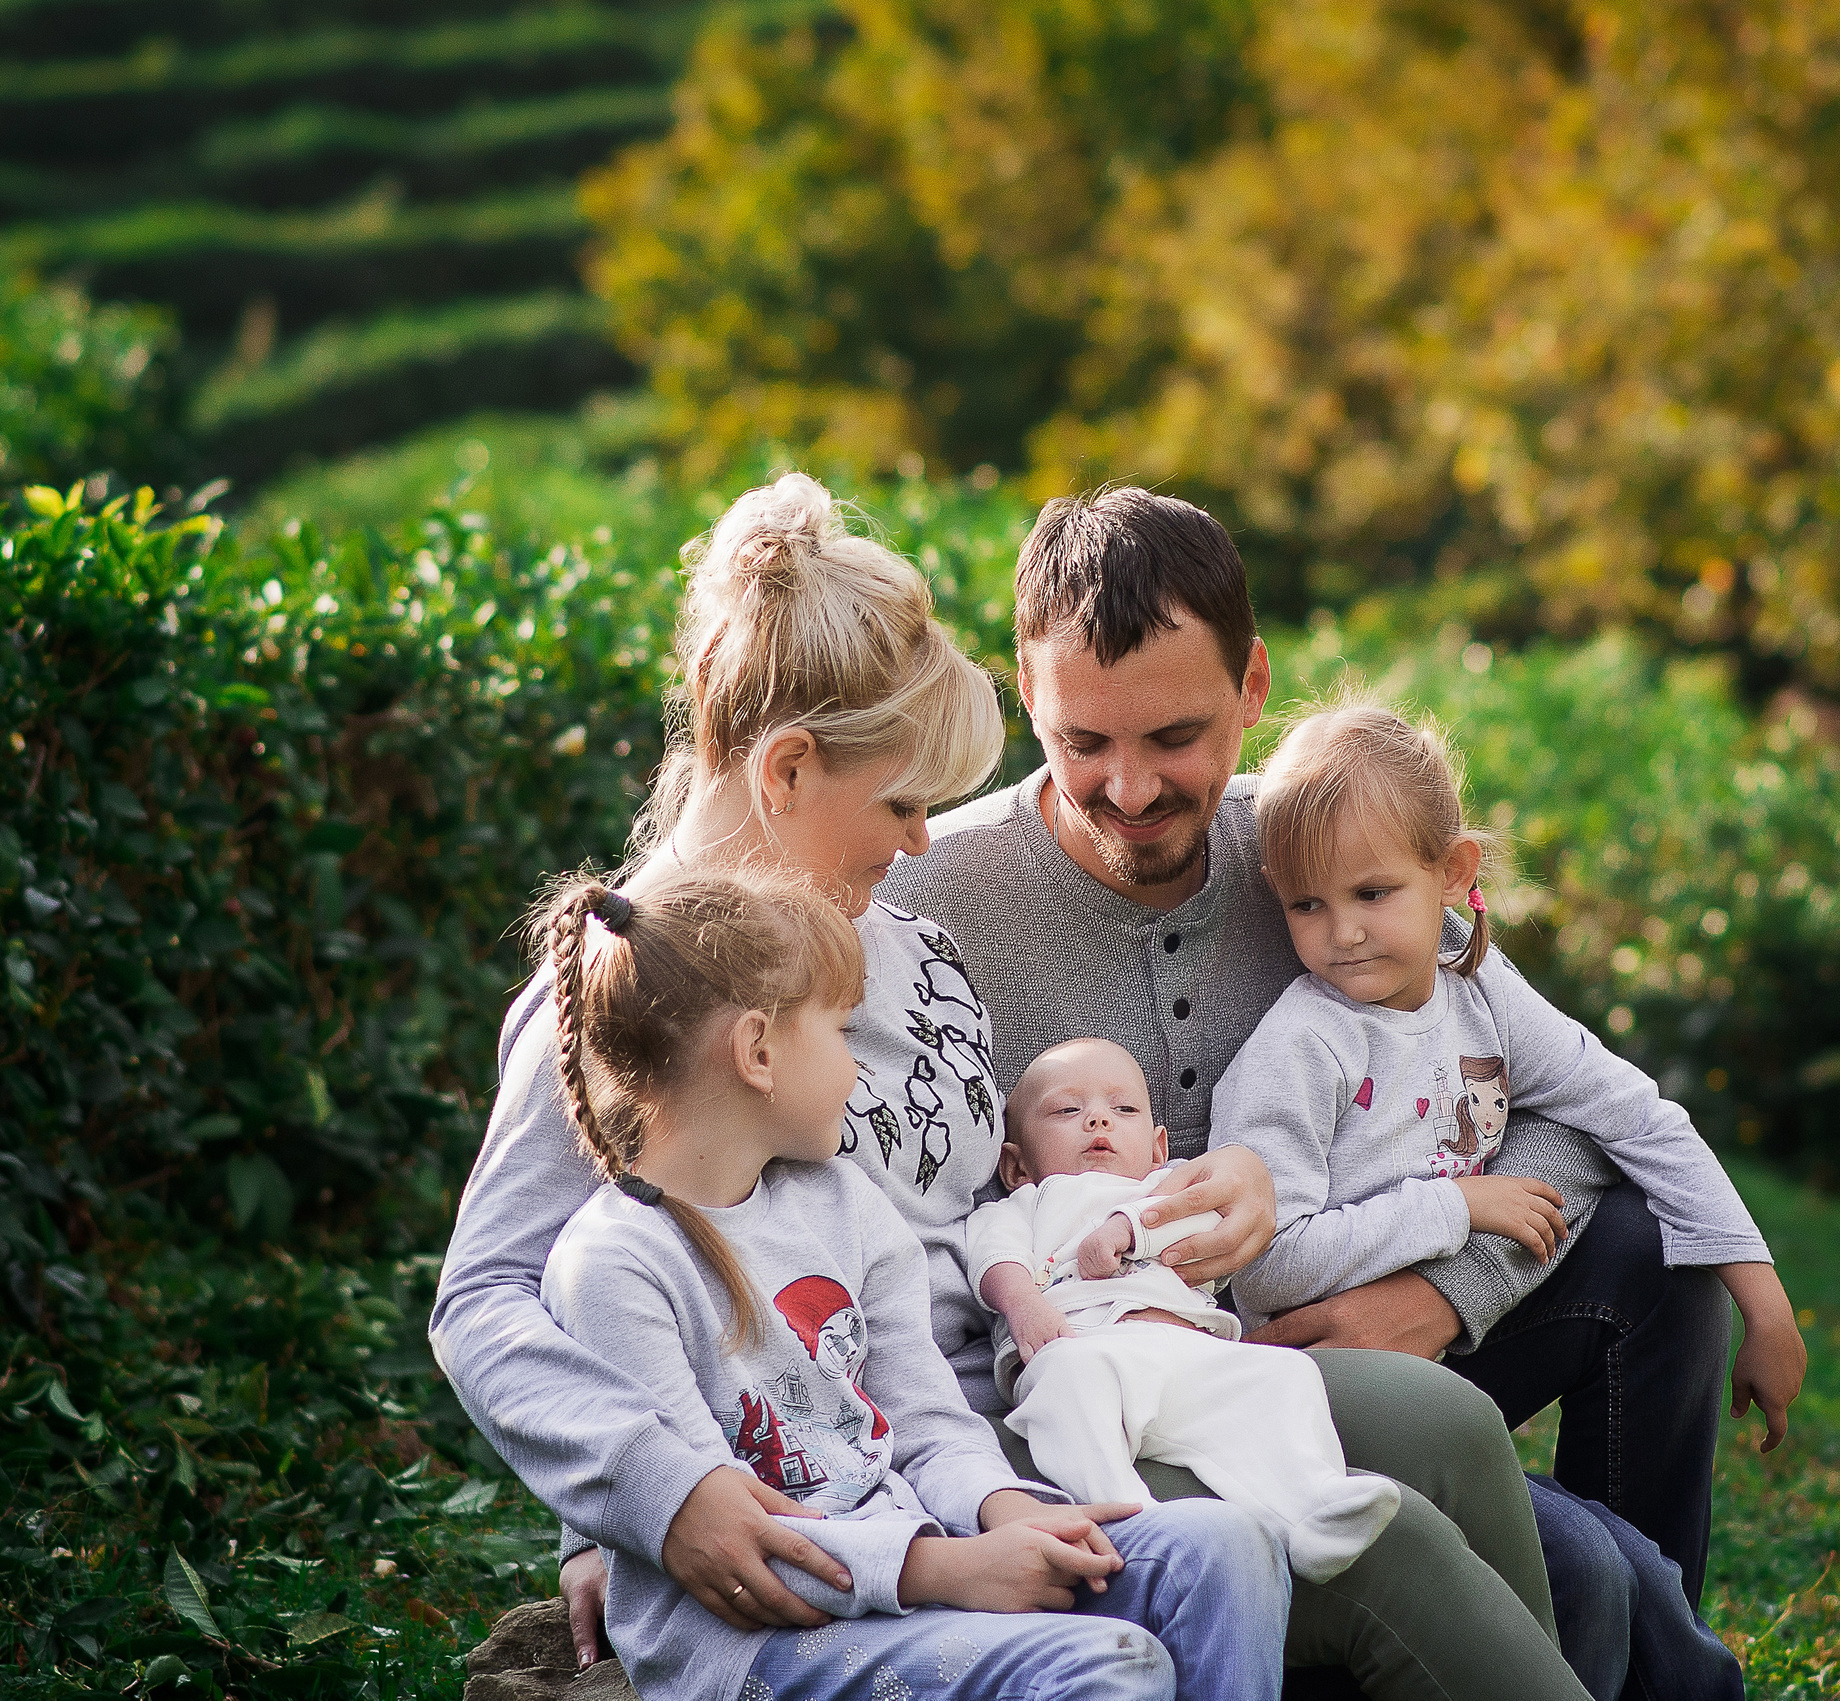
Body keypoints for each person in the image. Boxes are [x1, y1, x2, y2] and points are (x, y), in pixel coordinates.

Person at [430, 473, 1582, 1701]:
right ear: (789, 771)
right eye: (902, 802)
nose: (924, 838)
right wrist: (640, 1505)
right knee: (1390, 1553)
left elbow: (1003, 1193)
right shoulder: (640, 986)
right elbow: (519, 1289)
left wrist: (1192, 1200)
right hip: (918, 1461)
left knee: (1461, 1446)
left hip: (1057, 1373)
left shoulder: (906, 940)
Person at [875, 486, 1776, 1689]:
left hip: (1362, 1313)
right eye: (1083, 743)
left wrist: (1441, 1294)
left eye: (1175, 737)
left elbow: (1554, 1100)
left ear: (1252, 686)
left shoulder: (1316, 847)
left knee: (1653, 1256)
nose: (1131, 790)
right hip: (1146, 1385)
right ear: (1025, 694)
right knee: (1588, 1571)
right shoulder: (929, 902)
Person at [528, 869, 1286, 1701]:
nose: (856, 1069)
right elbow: (732, 1545)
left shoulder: (843, 1202)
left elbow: (926, 1423)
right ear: (757, 1052)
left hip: (914, 1559)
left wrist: (1005, 1509)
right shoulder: (616, 1264)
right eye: (840, 1031)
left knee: (1225, 1549)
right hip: (759, 1642)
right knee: (1106, 1665)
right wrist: (953, 1568)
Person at [1216, 697, 1805, 1429]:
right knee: (1560, 1521)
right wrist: (1458, 1205)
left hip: (1450, 1349)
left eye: (1372, 893)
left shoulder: (1480, 992)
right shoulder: (1302, 1046)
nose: (1344, 932)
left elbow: (1632, 1114)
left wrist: (1765, 1304)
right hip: (1325, 1391)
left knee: (1650, 1249)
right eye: (1307, 904)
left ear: (1453, 871)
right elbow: (1266, 1265)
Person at [968, 1037, 1402, 1581]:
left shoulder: (1165, 1187)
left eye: (1124, 1109)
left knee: (1286, 1376)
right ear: (1015, 1166)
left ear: (1157, 1148)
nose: (1098, 1120)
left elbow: (1206, 1224)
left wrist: (1129, 1228)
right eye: (1067, 1110)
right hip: (1083, 1345)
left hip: (1188, 1352)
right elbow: (994, 1259)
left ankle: (1312, 1508)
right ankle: (1130, 1515)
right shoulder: (1026, 1203)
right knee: (1071, 1385)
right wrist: (1024, 1305)